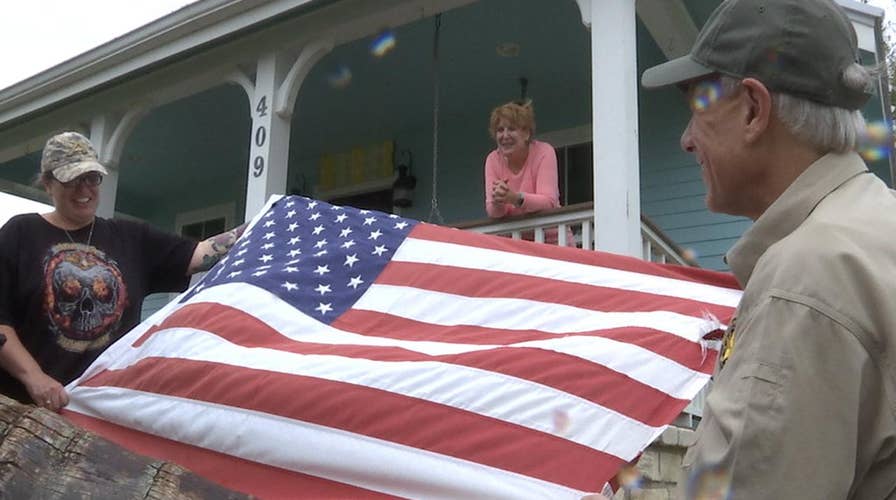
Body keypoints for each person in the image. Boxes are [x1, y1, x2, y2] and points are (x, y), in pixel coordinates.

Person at [641, 0, 896, 497]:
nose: (686, 140)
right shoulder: (874, 226)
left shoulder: (805, 280)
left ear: (754, 110)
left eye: (697, 108)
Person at [0, 131, 245, 412]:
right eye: (71, 179)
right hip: (26, 412)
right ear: (48, 184)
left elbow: (201, 255)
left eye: (91, 178)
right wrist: (35, 378)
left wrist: (264, 220)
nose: (84, 189)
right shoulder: (20, 234)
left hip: (105, 410)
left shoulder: (130, 238)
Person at [484, 100, 574, 246]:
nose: (505, 135)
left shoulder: (543, 152)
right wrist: (498, 200)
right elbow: (493, 212)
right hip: (516, 243)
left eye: (511, 129)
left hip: (553, 241)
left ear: (526, 133)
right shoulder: (493, 160)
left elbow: (548, 202)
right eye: (500, 130)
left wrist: (515, 198)